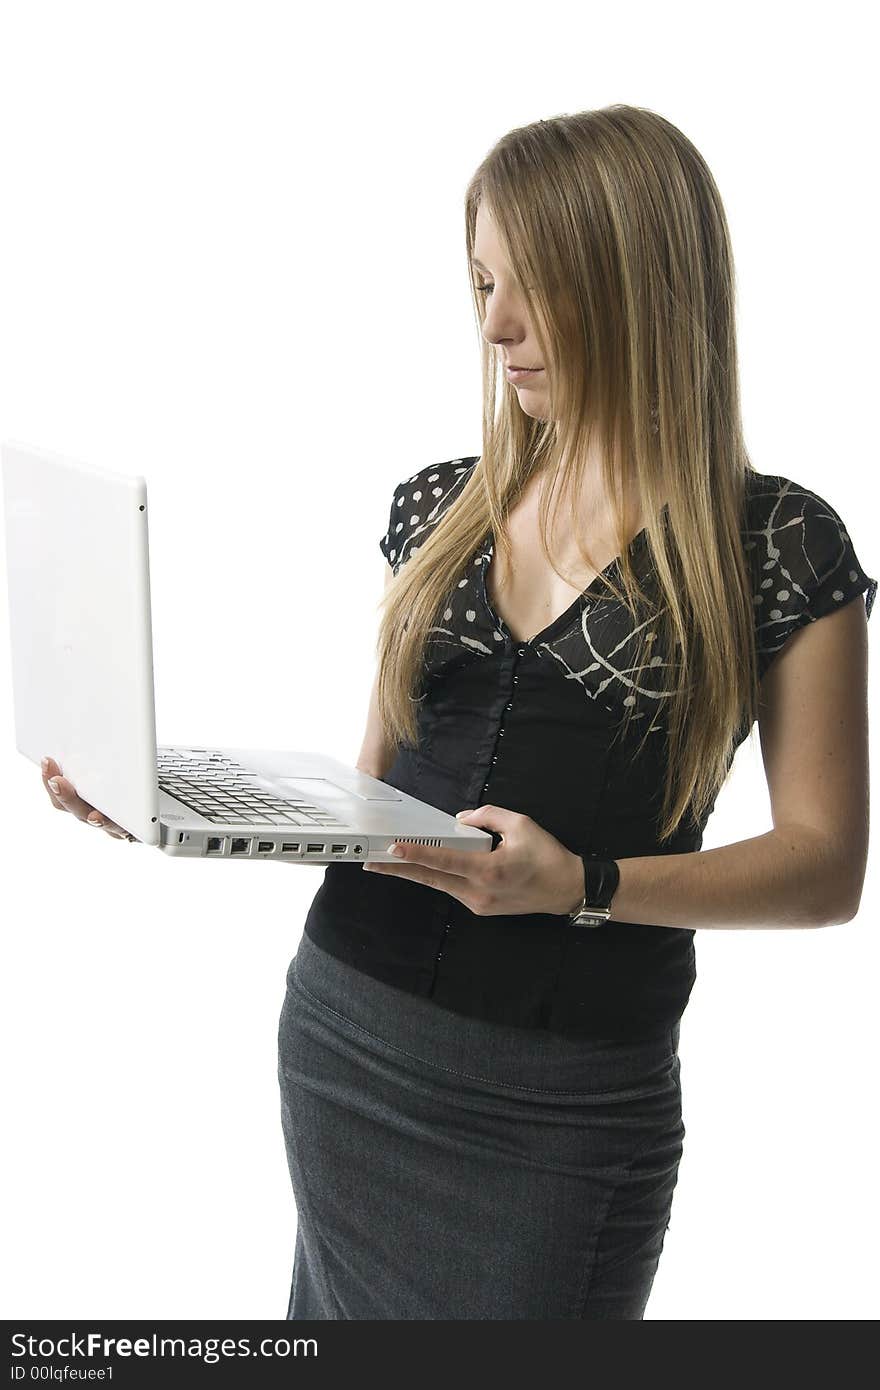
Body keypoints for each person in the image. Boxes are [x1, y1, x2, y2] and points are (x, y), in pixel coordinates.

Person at [43, 104, 876, 1320]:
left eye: (530, 286)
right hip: (345, 1037)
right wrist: (165, 802)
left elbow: (823, 868)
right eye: (482, 283)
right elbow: (371, 793)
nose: (494, 326)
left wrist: (583, 884)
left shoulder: (776, 543)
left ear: (637, 284)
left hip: (560, 1107)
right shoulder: (441, 505)